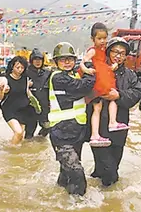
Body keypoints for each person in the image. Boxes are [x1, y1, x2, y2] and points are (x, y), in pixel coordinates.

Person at [86, 37, 141, 186]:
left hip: (119, 129)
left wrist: (119, 95)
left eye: (122, 53)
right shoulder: (97, 68)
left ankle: (100, 195)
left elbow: (137, 93)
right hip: (99, 130)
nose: (118, 56)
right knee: (111, 174)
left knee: (109, 167)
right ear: (108, 52)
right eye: (115, 52)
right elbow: (83, 88)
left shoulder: (130, 75)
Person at [48, 42, 95, 196]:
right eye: (62, 59)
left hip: (76, 132)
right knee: (77, 173)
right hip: (61, 135)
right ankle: (78, 205)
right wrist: (87, 64)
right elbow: (87, 85)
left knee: (66, 173)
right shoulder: (59, 78)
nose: (67, 62)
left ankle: (58, 199)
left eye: (70, 59)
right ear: (56, 62)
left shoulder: (72, 75)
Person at [79, 22, 128, 148]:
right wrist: (86, 70)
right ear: (92, 39)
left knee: (108, 101)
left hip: (104, 79)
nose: (102, 41)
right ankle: (95, 134)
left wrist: (112, 67)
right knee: (98, 107)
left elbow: (102, 66)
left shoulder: (102, 52)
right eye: (99, 38)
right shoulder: (93, 51)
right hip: (99, 82)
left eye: (104, 38)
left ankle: (112, 123)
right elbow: (82, 62)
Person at [0, 56, 41, 145]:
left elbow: (27, 92)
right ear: (12, 67)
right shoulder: (5, 79)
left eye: (22, 68)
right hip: (9, 109)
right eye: (17, 67)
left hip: (23, 110)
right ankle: (11, 152)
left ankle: (16, 153)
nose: (20, 70)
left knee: (20, 136)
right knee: (18, 132)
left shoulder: (25, 79)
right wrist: (2, 90)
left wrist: (36, 104)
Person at [25, 48, 51, 138]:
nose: (37, 62)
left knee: (47, 126)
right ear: (31, 60)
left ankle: (40, 140)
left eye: (40, 59)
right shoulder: (25, 72)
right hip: (30, 107)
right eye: (35, 59)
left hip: (44, 106)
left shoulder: (48, 73)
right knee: (29, 132)